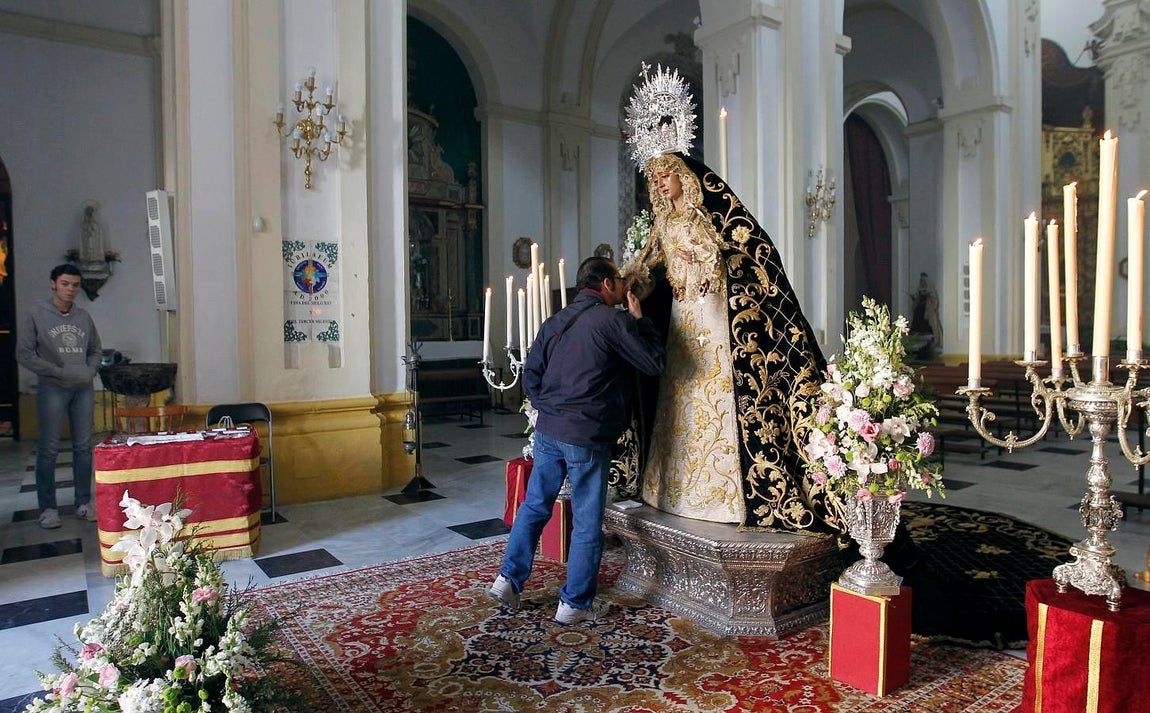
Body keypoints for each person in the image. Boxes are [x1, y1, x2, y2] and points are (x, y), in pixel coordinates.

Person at [616, 66, 843, 535]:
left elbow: (751, 253)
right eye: (655, 177)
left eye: (667, 174)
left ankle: (723, 494)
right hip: (681, 322)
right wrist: (633, 281)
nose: (661, 183)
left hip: (715, 318)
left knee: (715, 398)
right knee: (680, 399)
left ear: (683, 174)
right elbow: (649, 265)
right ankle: (675, 488)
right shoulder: (663, 224)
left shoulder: (711, 215)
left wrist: (713, 260)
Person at [489, 256, 666, 623]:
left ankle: (507, 580)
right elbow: (654, 363)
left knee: (535, 506)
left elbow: (531, 376)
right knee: (586, 521)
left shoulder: (556, 320)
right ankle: (574, 604)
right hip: (586, 434)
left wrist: (551, 409)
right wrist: (640, 320)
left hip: (549, 430)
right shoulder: (613, 321)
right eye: (619, 280)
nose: (623, 286)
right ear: (607, 284)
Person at [16, 264, 102, 528]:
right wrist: (56, 371)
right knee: (49, 448)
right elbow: (24, 353)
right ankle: (48, 509)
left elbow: (95, 349)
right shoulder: (37, 314)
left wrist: (89, 371)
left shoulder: (83, 317)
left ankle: (83, 503)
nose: (70, 289)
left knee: (83, 447)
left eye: (75, 285)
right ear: (53, 283)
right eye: (65, 284)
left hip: (82, 387)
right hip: (52, 387)